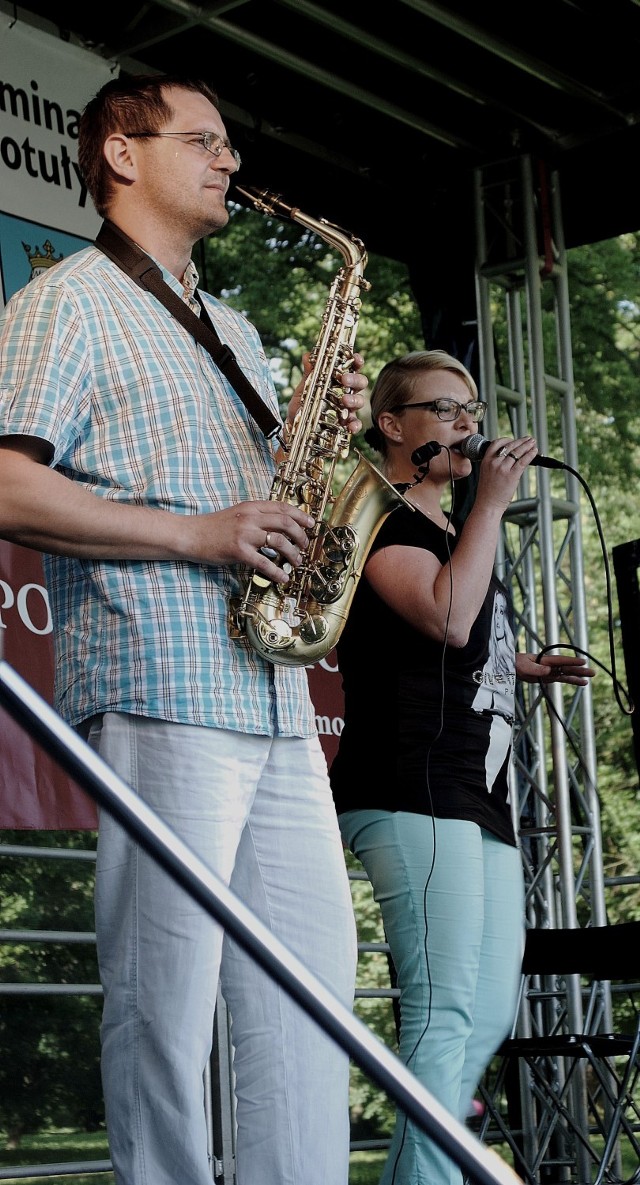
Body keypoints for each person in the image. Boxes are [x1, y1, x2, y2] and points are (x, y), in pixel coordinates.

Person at [0, 73, 368, 1185]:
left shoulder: (237, 330)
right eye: (205, 142)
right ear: (122, 152)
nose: (230, 163)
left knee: (312, 993)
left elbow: (260, 513)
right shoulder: (63, 304)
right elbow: (7, 488)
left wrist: (315, 439)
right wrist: (197, 535)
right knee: (165, 996)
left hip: (271, 691)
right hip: (160, 680)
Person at [329, 350, 595, 1185]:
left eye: (470, 409)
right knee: (442, 1013)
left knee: (483, 1015)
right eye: (443, 410)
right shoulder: (384, 517)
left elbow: (460, 634)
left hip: (476, 793)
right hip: (412, 785)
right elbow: (444, 616)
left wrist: (521, 666)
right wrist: (491, 504)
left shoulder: (453, 528)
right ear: (394, 427)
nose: (465, 424)